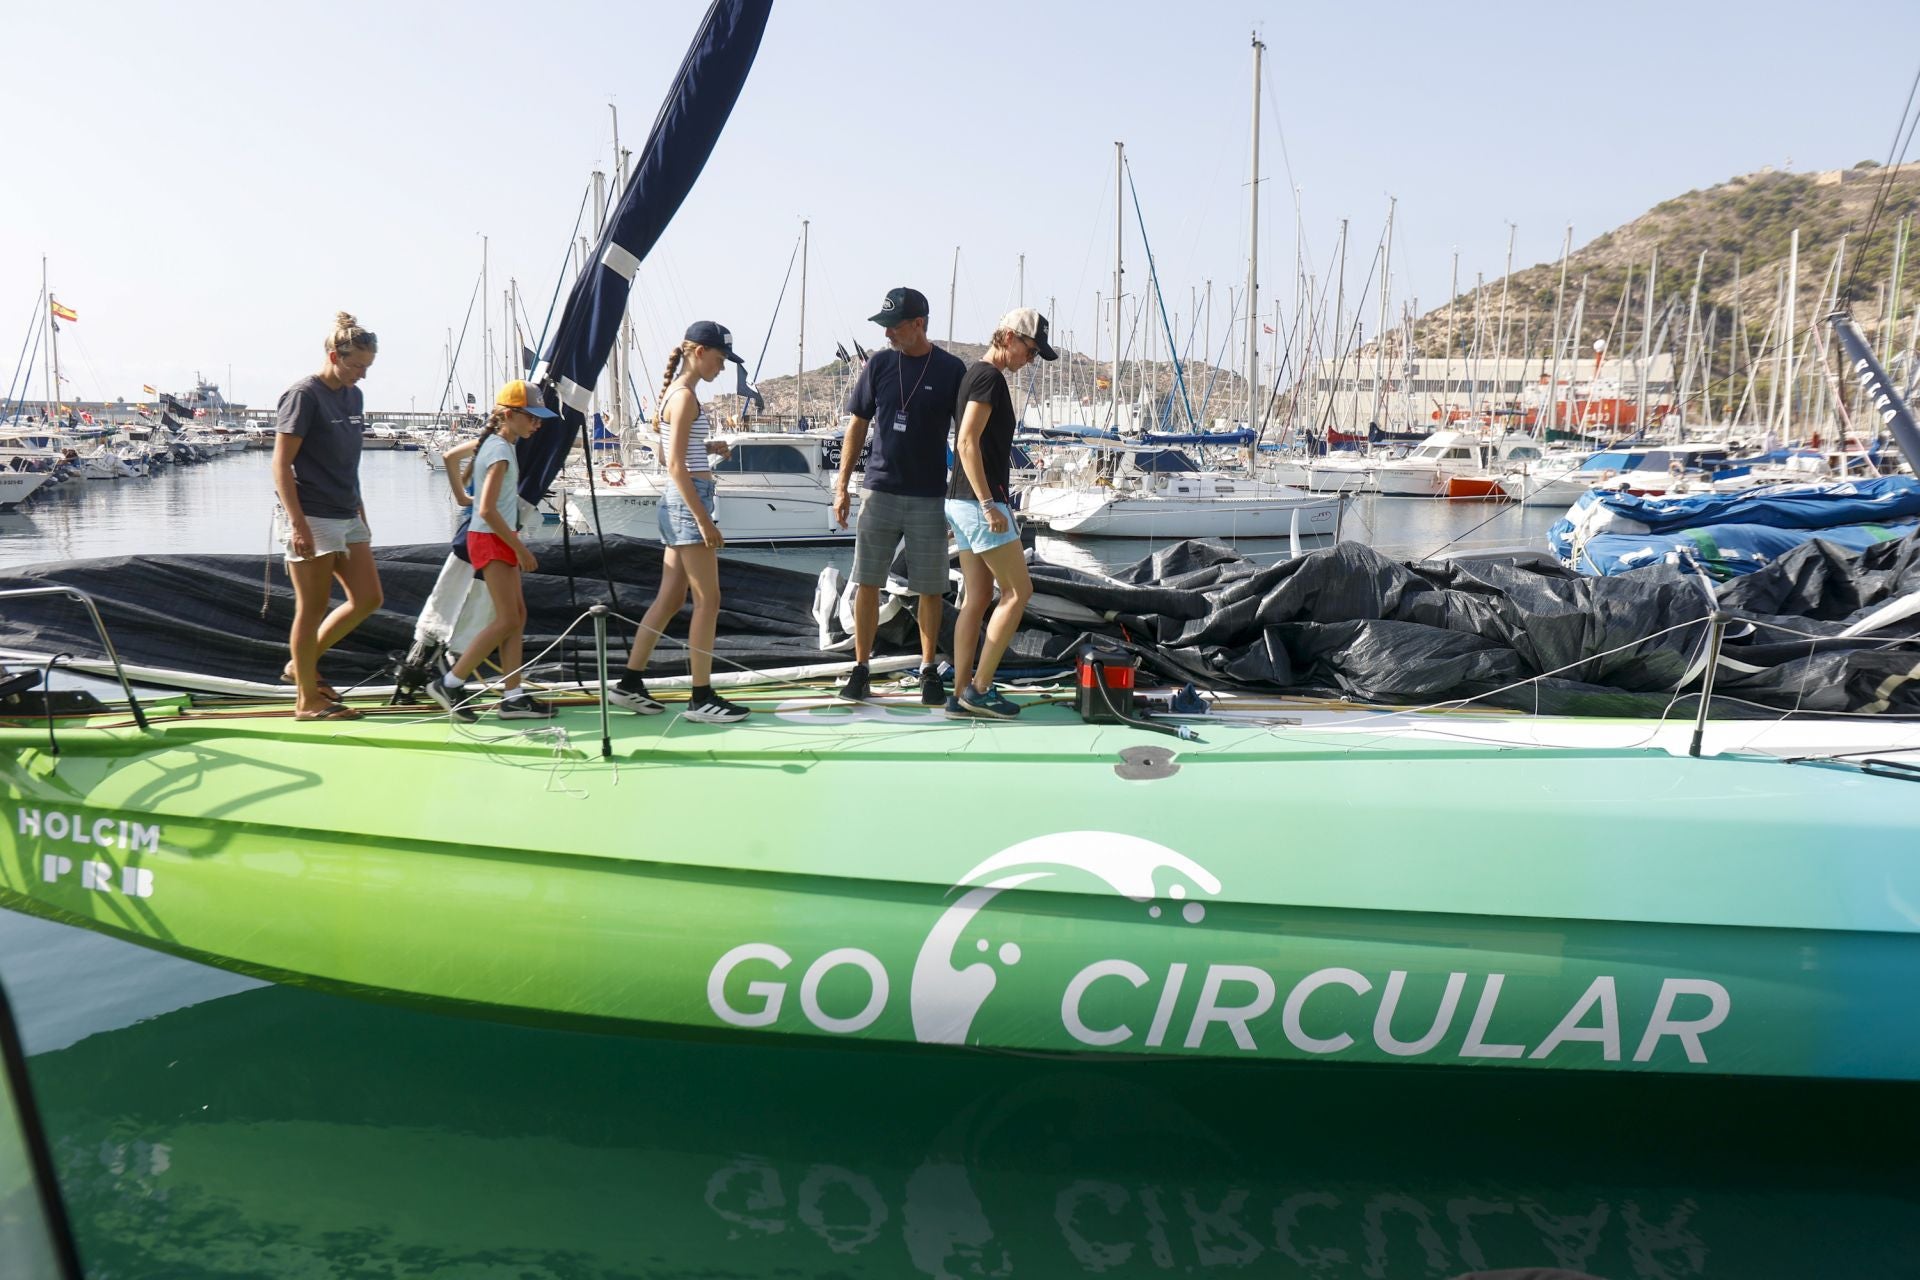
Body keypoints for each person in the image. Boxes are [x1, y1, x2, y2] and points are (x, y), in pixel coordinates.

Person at [606, 321, 751, 724]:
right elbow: (675, 466)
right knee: (709, 601)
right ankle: (701, 697)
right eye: (720, 360)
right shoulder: (685, 397)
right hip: (689, 505)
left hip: (678, 503)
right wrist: (705, 522)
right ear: (699, 351)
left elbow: (679, 450)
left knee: (670, 599)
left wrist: (708, 447)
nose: (722, 368)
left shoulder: (676, 395)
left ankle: (631, 682)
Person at [832, 287, 968, 704]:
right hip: (879, 490)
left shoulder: (950, 369)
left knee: (930, 587)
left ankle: (929, 669)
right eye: (884, 326)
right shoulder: (879, 364)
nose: (887, 333)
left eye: (894, 325)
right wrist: (841, 487)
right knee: (867, 582)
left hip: (929, 495)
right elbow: (857, 424)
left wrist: (961, 497)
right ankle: (861, 668)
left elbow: (966, 437)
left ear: (919, 324)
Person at [945, 308, 1056, 719]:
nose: (1030, 360)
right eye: (1030, 350)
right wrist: (990, 504)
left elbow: (967, 443)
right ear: (1009, 337)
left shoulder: (975, 375)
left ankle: (960, 695)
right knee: (1018, 592)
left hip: (961, 501)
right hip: (979, 503)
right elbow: (967, 444)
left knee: (976, 599)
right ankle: (979, 689)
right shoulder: (988, 377)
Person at [426, 380, 558, 723]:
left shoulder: (494, 442)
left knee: (517, 615)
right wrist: (521, 549)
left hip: (492, 537)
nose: (537, 424)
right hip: (492, 539)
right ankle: (450, 682)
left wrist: (461, 496)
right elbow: (486, 511)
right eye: (532, 417)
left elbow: (449, 456)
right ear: (510, 414)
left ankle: (512, 696)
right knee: (508, 618)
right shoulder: (499, 451)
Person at [272, 312, 382, 721]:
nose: (362, 375)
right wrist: (297, 524)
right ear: (334, 355)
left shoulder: (354, 396)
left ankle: (298, 667)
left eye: (367, 368)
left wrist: (361, 511)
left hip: (347, 512)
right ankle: (306, 699)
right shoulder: (304, 395)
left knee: (369, 598)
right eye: (356, 366)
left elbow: (348, 462)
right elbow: (281, 466)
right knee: (312, 607)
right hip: (312, 514)